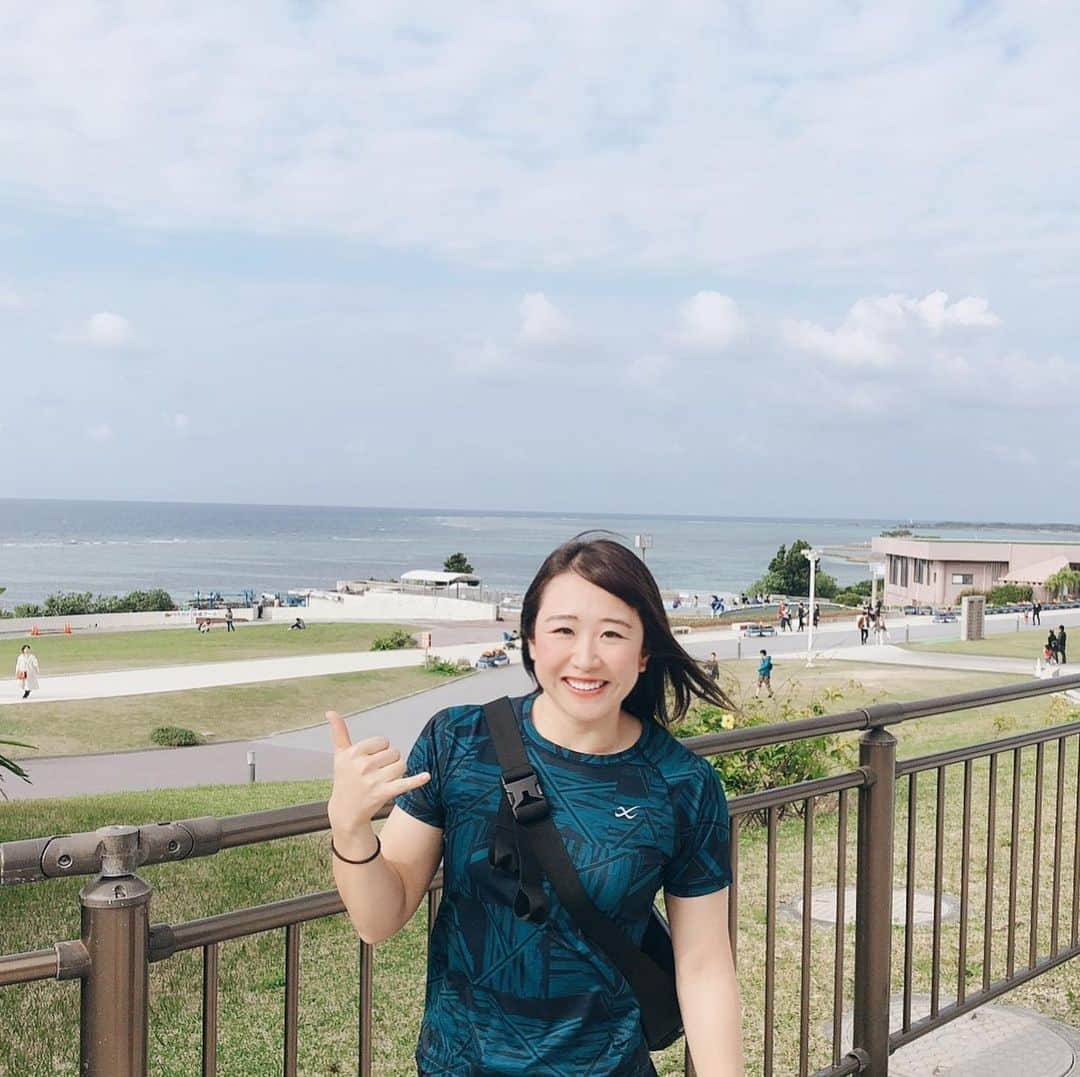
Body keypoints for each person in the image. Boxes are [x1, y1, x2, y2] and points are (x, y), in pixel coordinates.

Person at [326, 535, 744, 1076]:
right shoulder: (458, 740)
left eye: (612, 634)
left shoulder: (682, 784)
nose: (586, 657)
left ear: (644, 653)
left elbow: (705, 966)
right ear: (530, 640)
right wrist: (350, 827)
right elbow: (378, 919)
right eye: (563, 630)